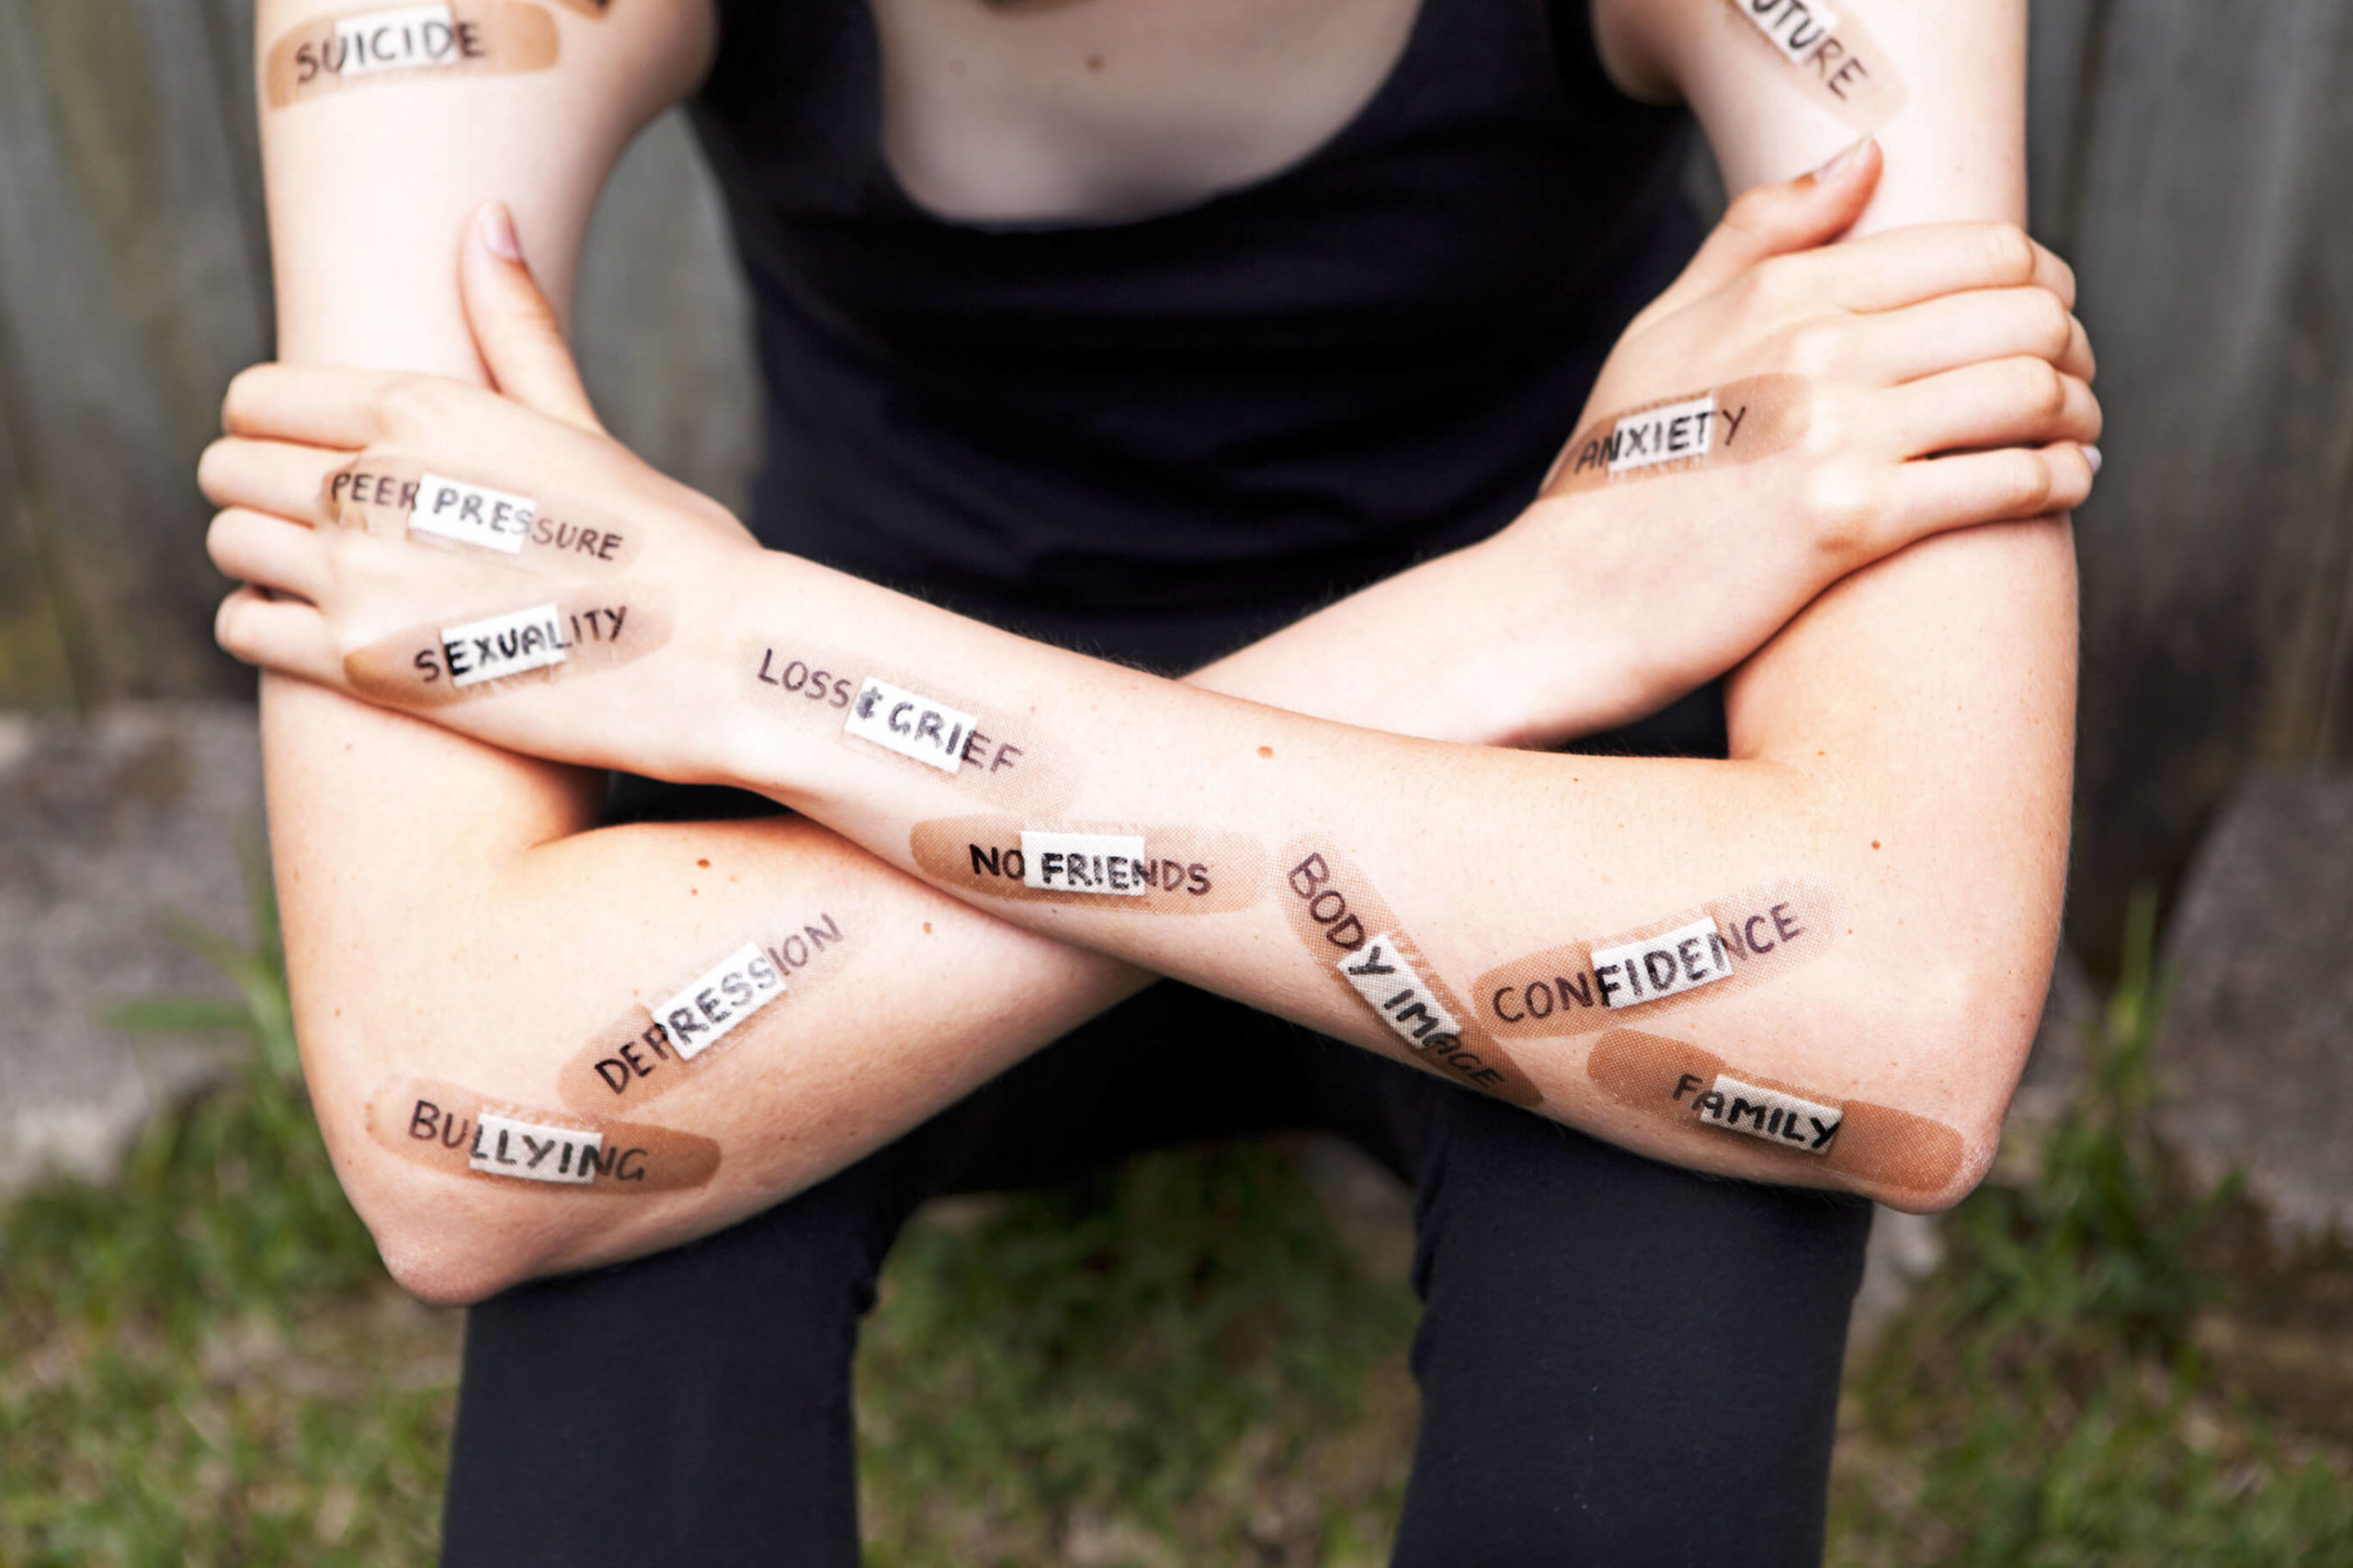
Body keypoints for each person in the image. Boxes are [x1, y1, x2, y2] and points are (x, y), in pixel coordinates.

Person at [205, 0, 2095, 1560]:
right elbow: (445, 1131)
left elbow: (1901, 1017)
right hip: (874, 850)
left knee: (1683, 1222)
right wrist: (1527, 612)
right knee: (621, 1272)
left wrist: (746, 662)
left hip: (1477, 827)